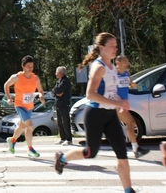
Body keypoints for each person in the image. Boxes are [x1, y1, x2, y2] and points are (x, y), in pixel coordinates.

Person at [54, 32, 136, 193]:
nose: (115, 49)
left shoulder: (113, 67)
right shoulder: (98, 67)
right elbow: (90, 95)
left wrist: (121, 102)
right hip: (95, 115)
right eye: (111, 46)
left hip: (110, 115)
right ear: (101, 48)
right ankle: (62, 159)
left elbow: (110, 91)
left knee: (122, 152)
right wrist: (116, 102)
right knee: (90, 152)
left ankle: (128, 190)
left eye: (116, 46)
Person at [3, 55, 45, 158]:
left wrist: (41, 95)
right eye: (28, 66)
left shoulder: (36, 78)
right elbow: (6, 85)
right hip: (20, 105)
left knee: (22, 126)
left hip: (29, 107)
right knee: (29, 126)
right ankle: (30, 149)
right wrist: (9, 97)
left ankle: (12, 140)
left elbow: (40, 90)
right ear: (23, 66)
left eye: (32, 66)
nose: (30, 68)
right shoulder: (17, 77)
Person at [115, 55, 149, 158]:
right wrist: (119, 101)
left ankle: (132, 149)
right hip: (117, 104)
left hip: (124, 102)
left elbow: (130, 84)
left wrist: (137, 85)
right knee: (131, 122)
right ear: (118, 63)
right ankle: (135, 149)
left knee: (127, 124)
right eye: (125, 60)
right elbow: (110, 90)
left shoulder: (126, 73)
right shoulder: (114, 74)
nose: (127, 62)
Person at [52, 66, 73, 146]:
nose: (55, 74)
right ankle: (62, 138)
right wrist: (57, 93)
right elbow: (54, 90)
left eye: (56, 72)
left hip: (64, 104)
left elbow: (58, 90)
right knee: (60, 123)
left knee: (65, 122)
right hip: (58, 103)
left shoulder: (65, 81)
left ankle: (69, 139)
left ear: (60, 73)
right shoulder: (59, 81)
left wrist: (57, 92)